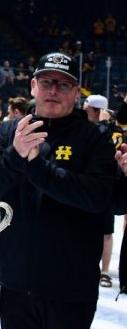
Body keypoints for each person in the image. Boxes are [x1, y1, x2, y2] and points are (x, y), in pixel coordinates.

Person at [0, 52, 116, 328]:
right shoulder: (9, 133)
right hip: (15, 286)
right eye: (46, 82)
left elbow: (97, 198)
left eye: (63, 84)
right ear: (33, 87)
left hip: (72, 292)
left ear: (76, 92)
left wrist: (38, 169)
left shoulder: (95, 137)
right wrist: (15, 156)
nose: (53, 91)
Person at [83, 94, 120, 289]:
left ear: (95, 111)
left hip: (105, 187)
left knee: (106, 231)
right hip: (84, 186)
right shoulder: (81, 129)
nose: (83, 109)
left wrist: (105, 126)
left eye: (87, 107)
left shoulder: (111, 133)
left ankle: (104, 271)